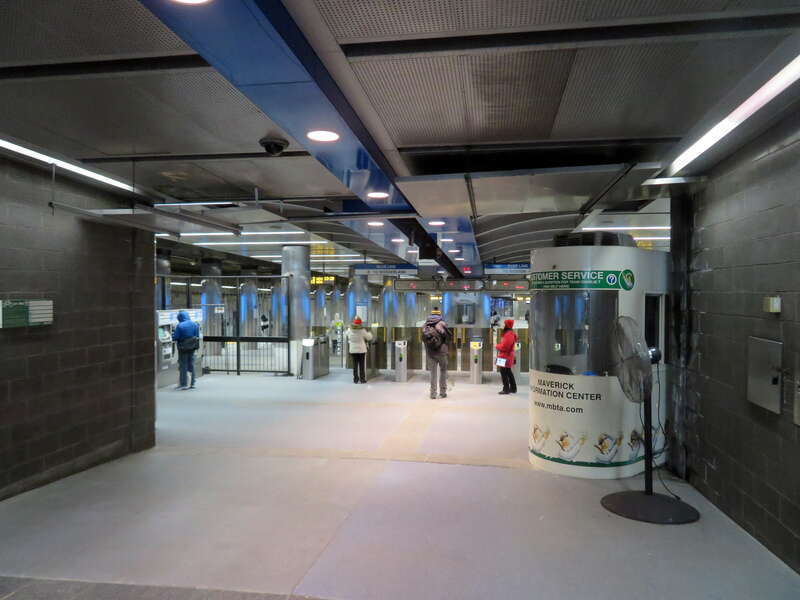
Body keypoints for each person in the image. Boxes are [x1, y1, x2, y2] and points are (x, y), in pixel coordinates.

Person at [422, 306, 450, 399]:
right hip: (442, 352)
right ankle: (443, 392)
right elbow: (448, 337)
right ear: (439, 314)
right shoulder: (442, 324)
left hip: (430, 353)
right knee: (443, 371)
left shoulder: (425, 325)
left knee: (433, 373)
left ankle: (433, 394)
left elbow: (423, 339)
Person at [172, 310, 200, 390]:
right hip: (192, 347)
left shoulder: (180, 326)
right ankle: (192, 383)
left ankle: (183, 384)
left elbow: (175, 337)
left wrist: (173, 335)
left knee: (183, 365)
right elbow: (197, 335)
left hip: (183, 348)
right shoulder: (195, 324)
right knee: (191, 364)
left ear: (180, 317)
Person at [347, 317, 373, 384]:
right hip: (361, 350)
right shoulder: (362, 330)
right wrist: (370, 333)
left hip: (353, 350)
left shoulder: (349, 330)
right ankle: (362, 379)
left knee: (355, 365)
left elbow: (346, 335)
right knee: (362, 365)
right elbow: (369, 337)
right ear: (360, 323)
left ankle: (355, 379)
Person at [495, 318, 518, 395]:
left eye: (505, 324)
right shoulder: (510, 333)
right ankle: (513, 388)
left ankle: (506, 389)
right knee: (508, 371)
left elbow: (505, 347)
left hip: (505, 356)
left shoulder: (508, 334)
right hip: (507, 356)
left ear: (507, 325)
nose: (503, 325)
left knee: (503, 372)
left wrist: (497, 346)